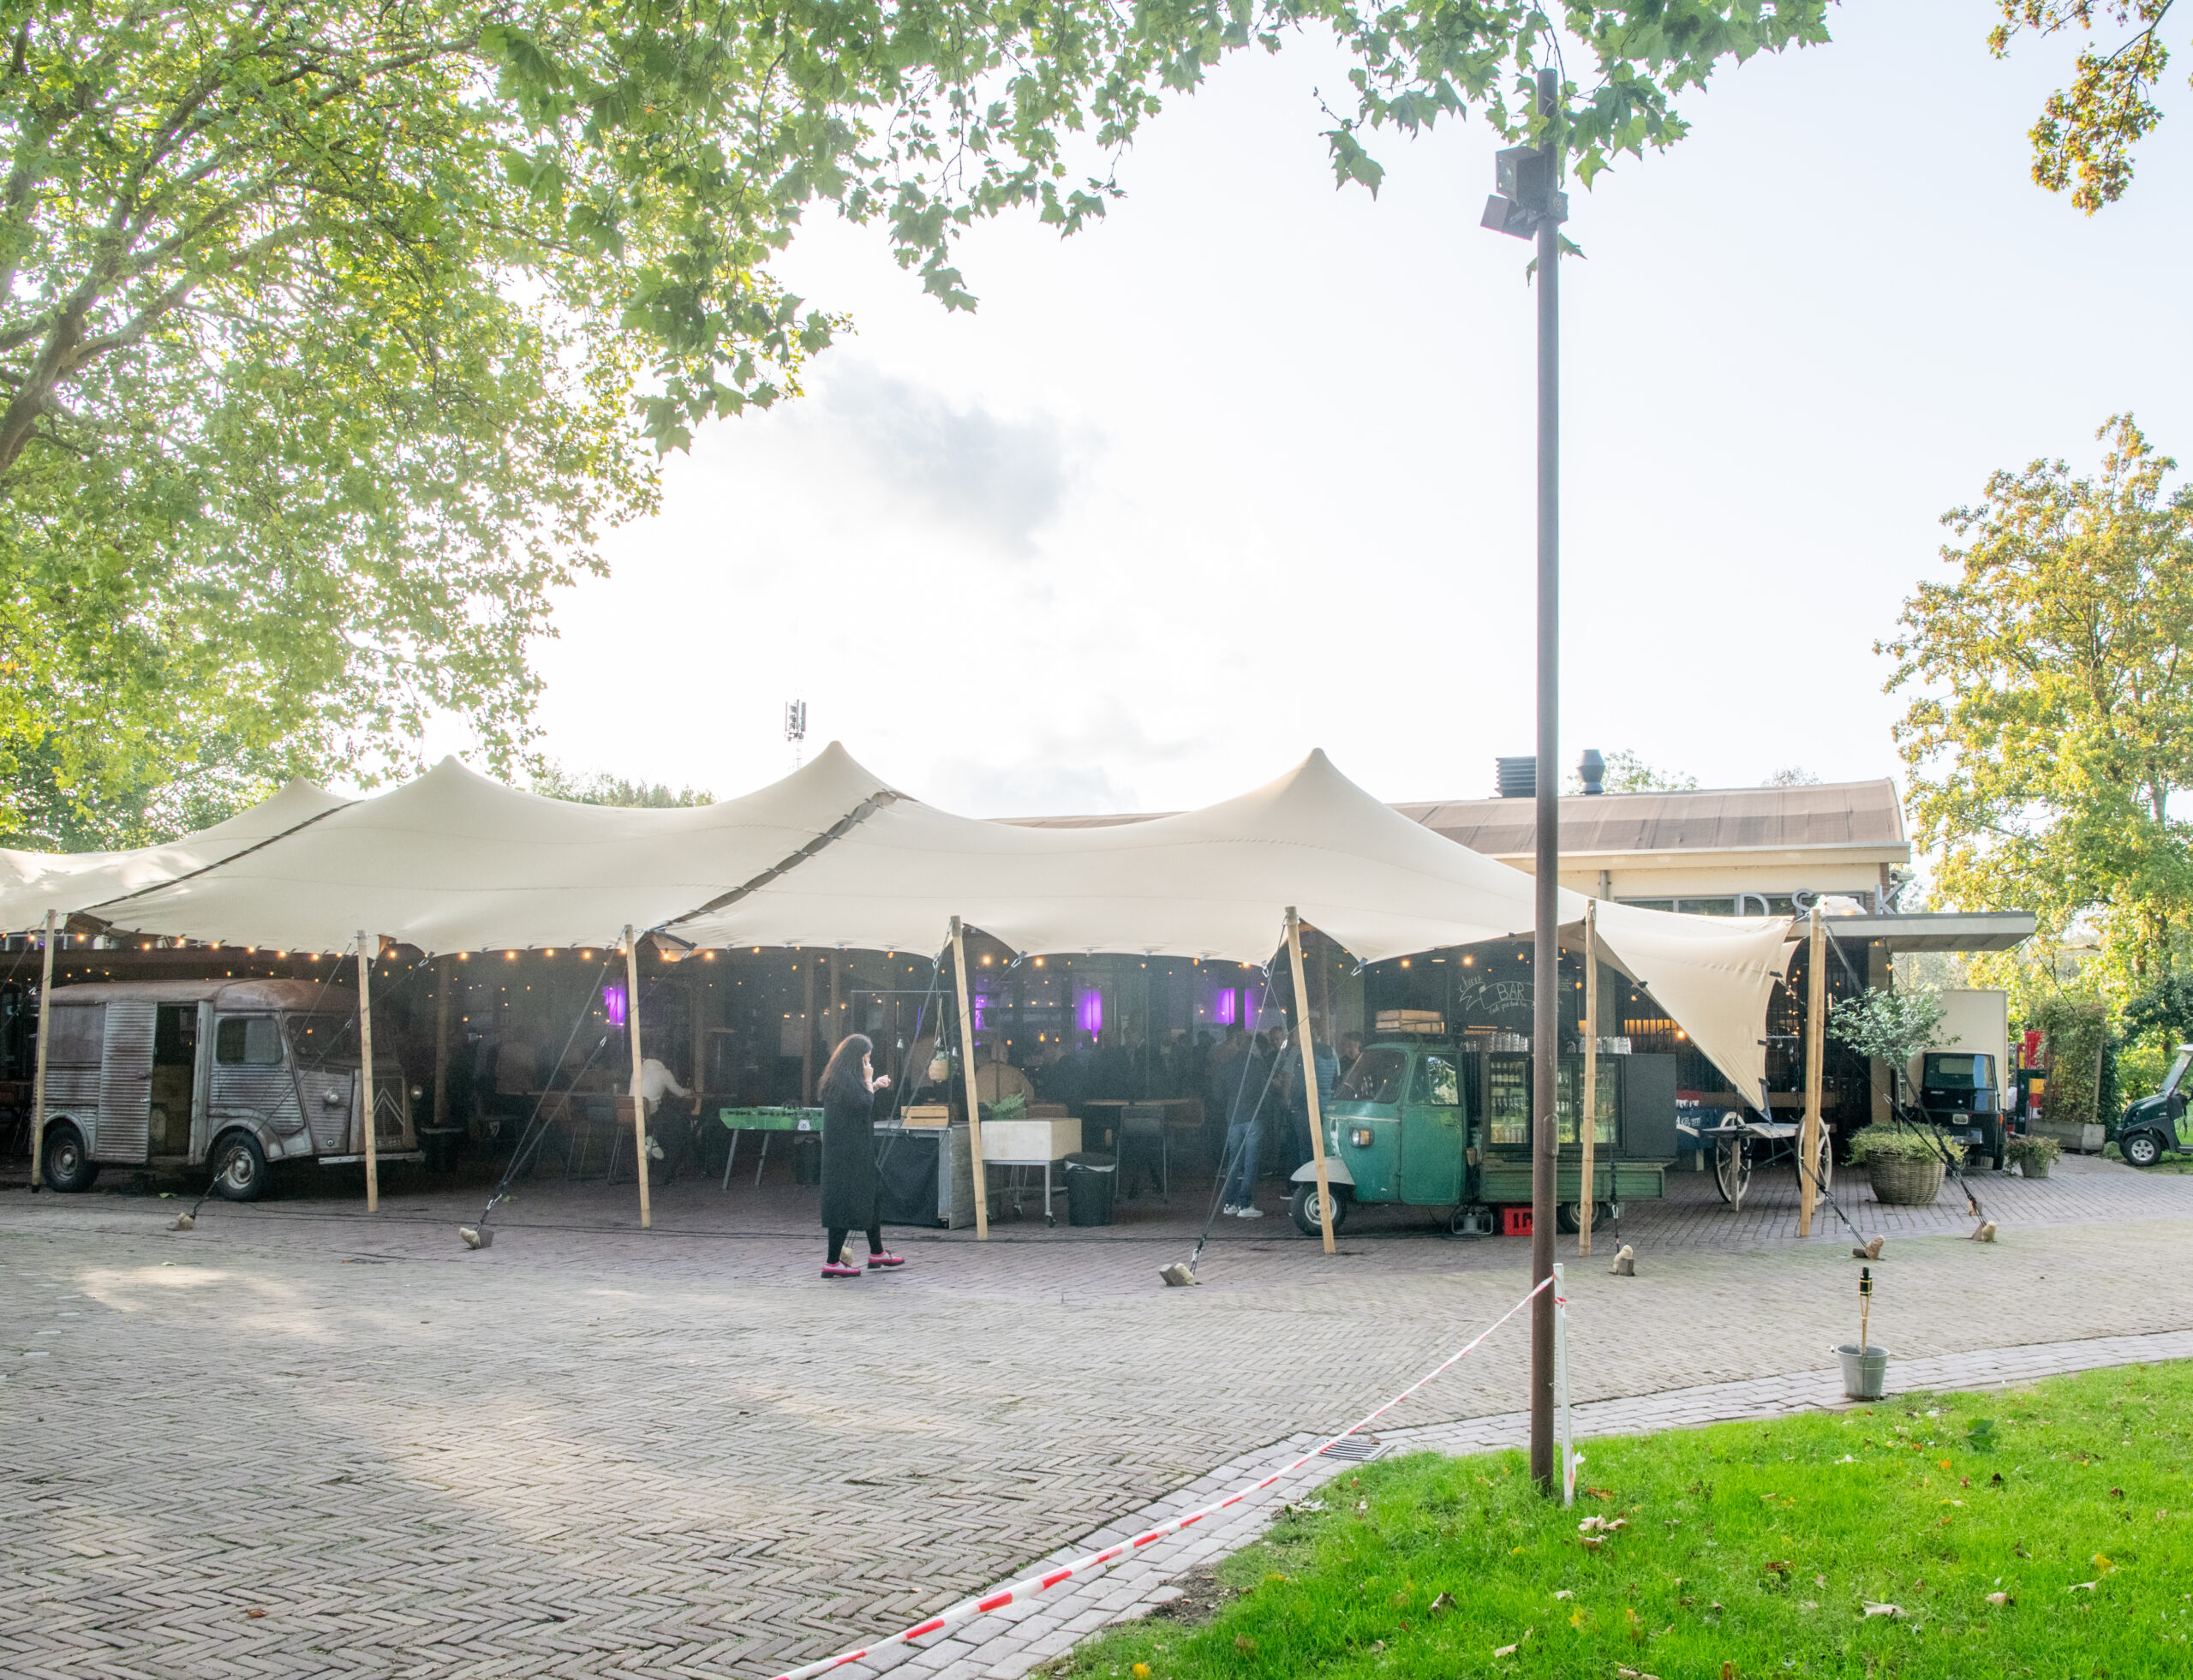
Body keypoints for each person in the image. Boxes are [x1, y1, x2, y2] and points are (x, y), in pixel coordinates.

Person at [818, 1033, 899, 1278]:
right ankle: (832, 1261)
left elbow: (860, 1100)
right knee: (846, 1204)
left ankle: (877, 1251)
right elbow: (864, 1105)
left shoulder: (841, 1079)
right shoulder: (846, 1081)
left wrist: (873, 1086)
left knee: (872, 1194)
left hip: (851, 1152)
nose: (868, 1063)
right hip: (848, 1155)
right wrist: (869, 1079)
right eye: (865, 1058)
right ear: (856, 1059)